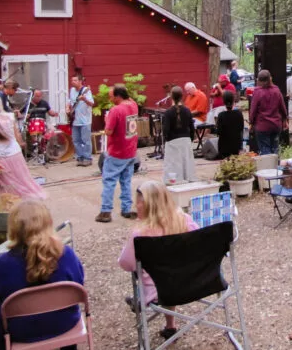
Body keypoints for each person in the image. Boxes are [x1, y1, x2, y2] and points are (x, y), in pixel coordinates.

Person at [0, 200, 84, 350]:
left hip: (21, 332)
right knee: (66, 308)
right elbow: (79, 285)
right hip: (64, 324)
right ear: (48, 224)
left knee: (0, 319)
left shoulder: (3, 264)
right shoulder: (66, 255)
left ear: (13, 228)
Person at [119, 181, 199, 340]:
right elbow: (200, 245)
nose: (136, 206)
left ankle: (140, 300)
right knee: (170, 271)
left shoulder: (140, 234)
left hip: (160, 290)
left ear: (149, 205)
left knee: (156, 276)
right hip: (194, 282)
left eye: (139, 202)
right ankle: (170, 326)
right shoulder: (184, 220)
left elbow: (126, 264)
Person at [0, 96, 46, 200]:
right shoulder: (10, 116)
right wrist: (22, 144)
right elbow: (17, 135)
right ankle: (22, 203)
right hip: (15, 154)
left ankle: (5, 207)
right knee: (20, 181)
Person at [95, 85, 139, 223]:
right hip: (131, 151)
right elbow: (129, 97)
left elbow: (108, 131)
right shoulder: (133, 105)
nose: (110, 98)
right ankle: (126, 209)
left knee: (109, 182)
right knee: (126, 181)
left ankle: (105, 211)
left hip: (117, 152)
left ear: (118, 96)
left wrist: (107, 119)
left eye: (111, 96)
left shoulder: (116, 110)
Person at [161, 86, 195, 184]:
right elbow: (191, 127)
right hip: (186, 140)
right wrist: (190, 139)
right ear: (182, 96)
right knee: (186, 162)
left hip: (172, 141)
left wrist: (167, 139)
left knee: (173, 164)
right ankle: (188, 178)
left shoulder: (168, 112)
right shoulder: (187, 110)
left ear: (171, 97)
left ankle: (174, 180)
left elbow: (165, 129)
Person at [249, 69, 287, 155]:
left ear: (258, 80)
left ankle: (268, 167)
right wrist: (285, 119)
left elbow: (253, 110)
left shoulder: (257, 92)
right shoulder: (276, 90)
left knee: (265, 150)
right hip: (276, 126)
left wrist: (251, 122)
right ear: (270, 79)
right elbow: (283, 107)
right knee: (275, 149)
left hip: (262, 126)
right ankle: (276, 167)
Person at [67, 74, 94, 167]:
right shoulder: (72, 91)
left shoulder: (86, 91)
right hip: (75, 119)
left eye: (75, 80)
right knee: (76, 140)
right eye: (72, 80)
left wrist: (84, 99)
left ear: (80, 81)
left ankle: (88, 158)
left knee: (86, 140)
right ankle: (80, 157)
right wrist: (67, 108)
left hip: (85, 120)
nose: (72, 82)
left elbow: (91, 103)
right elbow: (70, 102)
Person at [216, 90, 244, 158]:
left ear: (223, 102)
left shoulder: (221, 115)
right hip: (236, 143)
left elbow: (219, 131)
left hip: (224, 145)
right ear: (233, 100)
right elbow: (241, 128)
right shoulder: (239, 113)